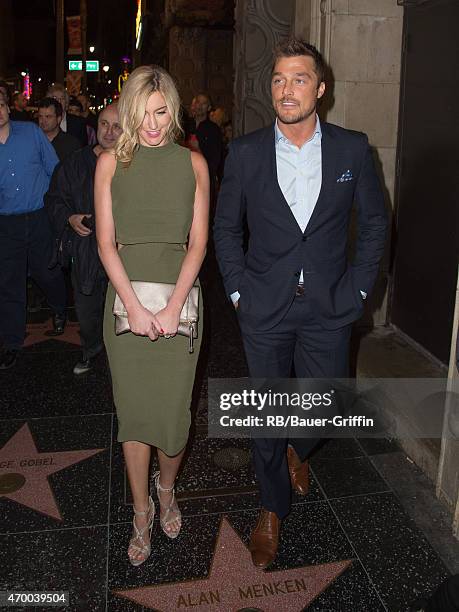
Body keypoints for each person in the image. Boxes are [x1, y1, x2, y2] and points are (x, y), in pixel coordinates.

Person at [214, 38, 387, 568]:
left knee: (324, 405)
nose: (287, 90)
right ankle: (271, 506)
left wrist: (358, 290)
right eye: (279, 80)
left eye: (298, 79)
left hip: (329, 308)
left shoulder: (352, 149)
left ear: (321, 88)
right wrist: (240, 290)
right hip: (263, 307)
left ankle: (298, 448)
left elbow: (376, 223)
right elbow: (226, 228)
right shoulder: (243, 152)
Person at [95, 65, 209, 566]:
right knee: (136, 419)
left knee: (174, 418)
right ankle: (141, 512)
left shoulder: (195, 164)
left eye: (163, 112)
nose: (154, 125)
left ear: (175, 110)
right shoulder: (107, 165)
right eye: (144, 114)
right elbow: (105, 242)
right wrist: (138, 308)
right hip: (126, 308)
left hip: (181, 307)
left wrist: (173, 304)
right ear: (129, 111)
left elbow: (198, 243)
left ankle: (167, 490)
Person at [45, 103, 122, 375]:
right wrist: (70, 219)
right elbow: (54, 199)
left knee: (120, 307)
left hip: (122, 250)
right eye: (104, 124)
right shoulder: (75, 163)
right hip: (86, 249)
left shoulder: (133, 164)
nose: (109, 132)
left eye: (117, 126)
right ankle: (91, 349)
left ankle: (121, 357)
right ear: (96, 126)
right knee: (87, 309)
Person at [0, 92, 67, 370]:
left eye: (1, 105)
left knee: (46, 271)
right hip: (7, 223)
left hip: (39, 217)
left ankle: (60, 308)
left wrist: (57, 207)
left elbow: (54, 169)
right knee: (9, 283)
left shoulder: (30, 132)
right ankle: (13, 342)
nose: (0, 111)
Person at [190, 92, 223, 201]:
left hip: (203, 180)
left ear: (208, 108)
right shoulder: (184, 125)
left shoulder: (213, 130)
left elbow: (215, 161)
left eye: (204, 103)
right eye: (197, 102)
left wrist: (198, 149)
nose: (199, 105)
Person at [38, 97, 81, 162]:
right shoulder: (33, 141)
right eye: (40, 116)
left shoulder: (71, 144)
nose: (43, 121)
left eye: (48, 117)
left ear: (58, 119)